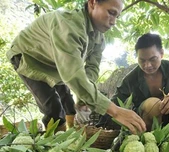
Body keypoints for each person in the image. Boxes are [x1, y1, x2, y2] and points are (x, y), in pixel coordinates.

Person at [6, 0, 146, 134]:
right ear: (92, 2)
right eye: (111, 12)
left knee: (70, 106)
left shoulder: (99, 39)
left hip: (57, 66)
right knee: (54, 110)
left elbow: (91, 70)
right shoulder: (68, 26)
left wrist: (84, 97)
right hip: (28, 57)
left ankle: (70, 137)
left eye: (117, 16)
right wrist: (115, 111)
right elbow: (74, 75)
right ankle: (52, 146)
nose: (114, 21)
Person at [98, 33, 169, 148]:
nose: (147, 65)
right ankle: (151, 149)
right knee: (153, 104)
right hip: (145, 122)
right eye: (142, 60)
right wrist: (100, 126)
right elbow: (114, 102)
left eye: (152, 59)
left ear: (161, 54)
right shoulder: (131, 79)